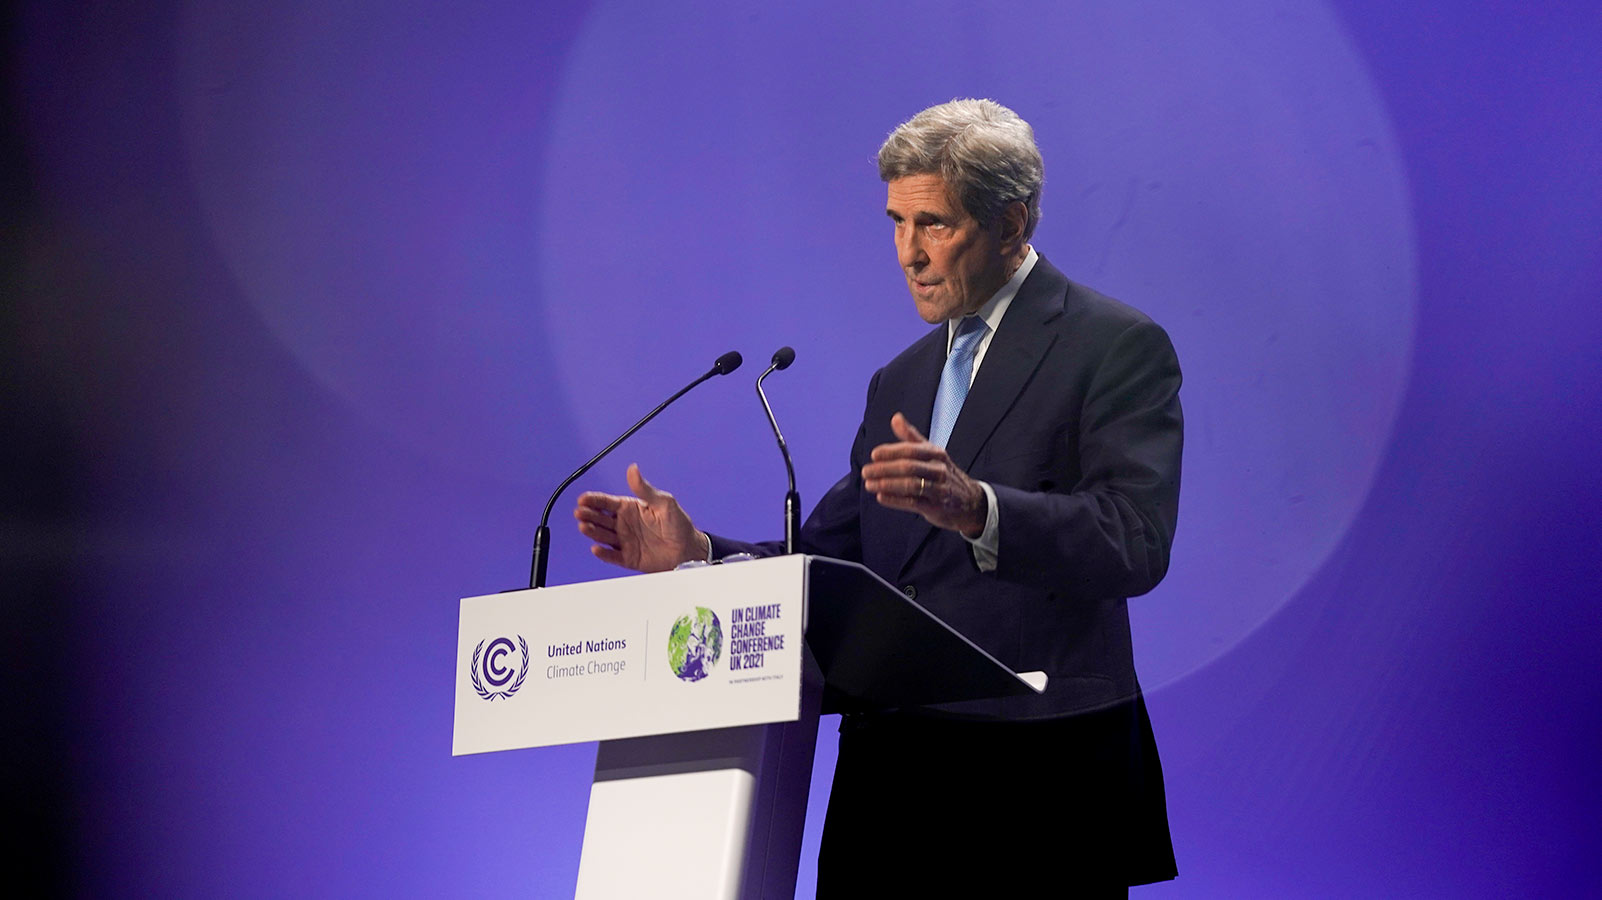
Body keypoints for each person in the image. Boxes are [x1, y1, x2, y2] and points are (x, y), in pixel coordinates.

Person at [574, 98, 1182, 896]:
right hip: (892, 790)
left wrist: (981, 509)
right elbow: (835, 557)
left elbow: (1133, 539)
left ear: (1013, 222)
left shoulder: (1112, 344)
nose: (907, 253)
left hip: (1037, 785)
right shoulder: (900, 379)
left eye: (934, 224)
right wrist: (700, 554)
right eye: (895, 222)